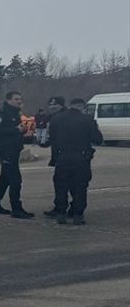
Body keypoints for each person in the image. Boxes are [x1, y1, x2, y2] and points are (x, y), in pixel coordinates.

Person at [43, 96, 102, 225]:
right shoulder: (87, 120)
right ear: (82, 106)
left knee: (61, 186)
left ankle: (61, 213)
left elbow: (51, 139)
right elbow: (98, 139)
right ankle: (77, 214)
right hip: (81, 158)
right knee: (80, 186)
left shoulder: (56, 119)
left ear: (71, 105)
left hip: (62, 157)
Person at [0, 91, 34, 218]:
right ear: (8, 100)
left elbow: (15, 130)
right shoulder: (2, 114)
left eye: (20, 98)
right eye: (16, 99)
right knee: (15, 180)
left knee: (4, 179)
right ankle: (16, 209)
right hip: (6, 150)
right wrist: (16, 130)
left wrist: (22, 130)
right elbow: (0, 130)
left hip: (14, 150)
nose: (19, 101)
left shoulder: (15, 113)